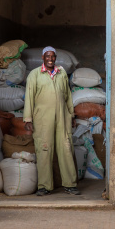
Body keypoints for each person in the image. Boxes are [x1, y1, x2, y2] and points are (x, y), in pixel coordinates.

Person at [23, 46, 80, 196]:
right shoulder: (34, 75)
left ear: (55, 58)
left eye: (52, 56)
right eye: (47, 56)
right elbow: (29, 97)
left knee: (66, 148)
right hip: (42, 118)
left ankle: (70, 184)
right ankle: (44, 186)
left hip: (62, 117)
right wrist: (28, 118)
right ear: (42, 57)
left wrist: (71, 115)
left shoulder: (61, 74)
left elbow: (68, 96)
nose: (50, 59)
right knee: (44, 149)